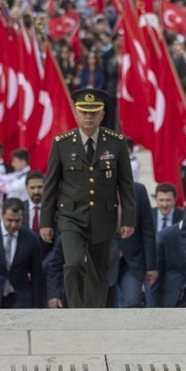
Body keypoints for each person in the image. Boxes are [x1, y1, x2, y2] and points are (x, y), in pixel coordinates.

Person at [41, 88, 135, 309]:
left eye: (94, 112)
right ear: (76, 113)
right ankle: (76, 312)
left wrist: (129, 219)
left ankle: (93, 314)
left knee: (99, 271)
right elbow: (51, 185)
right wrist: (45, 222)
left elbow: (126, 184)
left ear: (102, 114)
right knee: (73, 264)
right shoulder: (62, 143)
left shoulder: (115, 142)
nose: (89, 117)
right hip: (71, 216)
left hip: (104, 216)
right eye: (84, 112)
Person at [0, 198, 43, 309]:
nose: (13, 225)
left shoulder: (31, 239)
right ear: (2, 215)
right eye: (9, 220)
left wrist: (38, 305)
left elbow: (37, 273)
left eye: (18, 220)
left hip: (21, 298)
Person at [107, 180, 155, 308]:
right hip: (105, 259)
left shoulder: (138, 190)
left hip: (132, 260)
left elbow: (148, 229)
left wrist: (151, 266)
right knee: (105, 305)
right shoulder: (98, 187)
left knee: (132, 303)